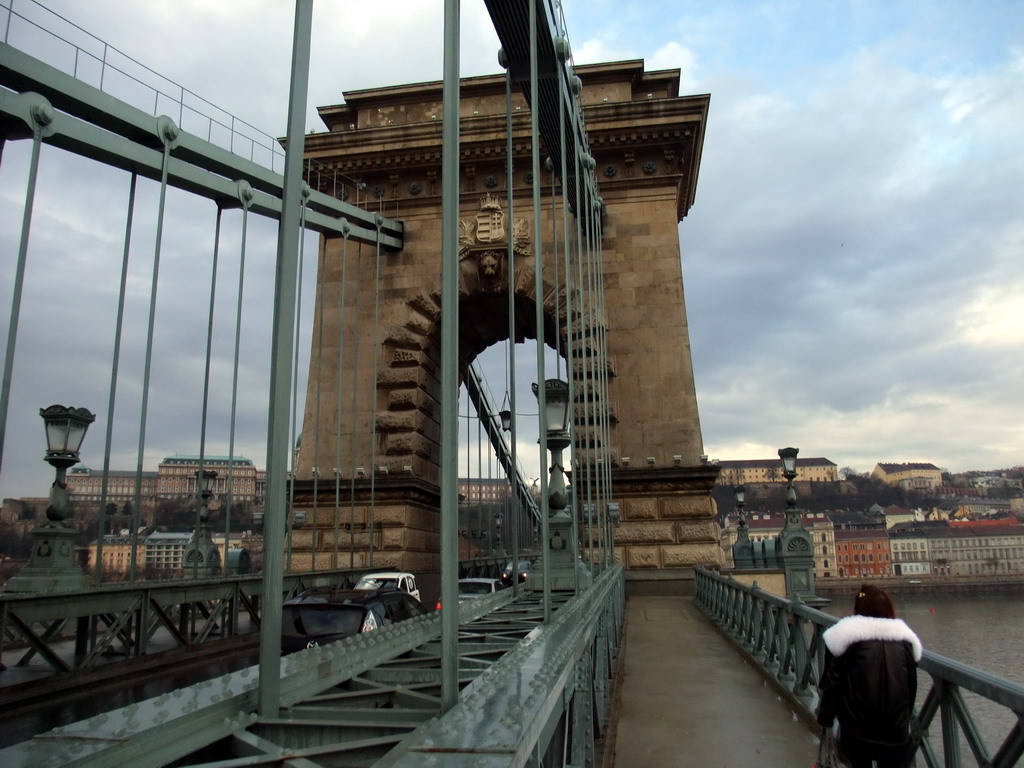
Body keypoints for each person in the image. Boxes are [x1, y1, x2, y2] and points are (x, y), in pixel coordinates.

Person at [816, 584, 922, 768]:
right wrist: (903, 722)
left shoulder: (846, 638)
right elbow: (911, 687)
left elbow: (833, 683)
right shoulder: (905, 642)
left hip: (857, 730)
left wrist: (825, 717)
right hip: (895, 731)